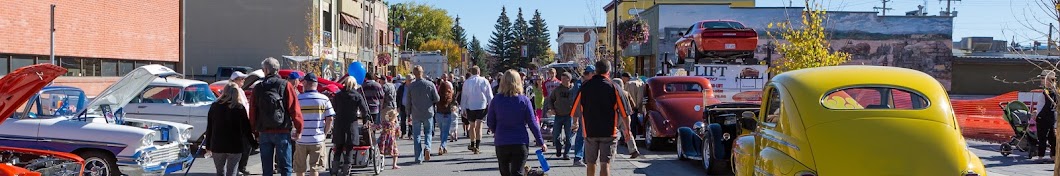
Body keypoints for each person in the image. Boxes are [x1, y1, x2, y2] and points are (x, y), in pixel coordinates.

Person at [571, 61, 628, 176]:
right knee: (605, 164)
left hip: (590, 130)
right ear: (609, 71)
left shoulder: (585, 86)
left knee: (591, 163)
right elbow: (624, 112)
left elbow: (575, 109)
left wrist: (575, 122)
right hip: (608, 131)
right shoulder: (614, 87)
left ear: (595, 71)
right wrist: (628, 130)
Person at [487, 70, 548, 176]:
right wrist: (540, 141)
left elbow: (490, 122)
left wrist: (497, 131)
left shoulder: (496, 100)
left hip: (502, 142)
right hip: (520, 141)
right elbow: (532, 123)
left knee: (505, 172)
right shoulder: (524, 100)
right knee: (517, 172)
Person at [250, 57, 304, 176]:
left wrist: (255, 131)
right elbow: (294, 109)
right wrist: (299, 129)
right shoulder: (285, 85)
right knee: (285, 167)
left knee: (267, 169)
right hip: (282, 130)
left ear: (265, 70)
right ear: (277, 70)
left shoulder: (258, 88)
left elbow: (253, 111)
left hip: (264, 131)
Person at [204, 83, 255, 176]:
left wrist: (208, 145)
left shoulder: (215, 106)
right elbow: (246, 129)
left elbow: (210, 127)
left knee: (220, 172)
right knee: (232, 172)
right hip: (235, 146)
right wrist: (253, 143)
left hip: (217, 144)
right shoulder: (239, 108)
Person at [293, 73, 334, 176]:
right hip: (317, 139)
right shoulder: (324, 99)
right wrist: (324, 134)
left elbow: (292, 117)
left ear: (306, 83)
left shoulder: (298, 99)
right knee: (314, 168)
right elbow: (330, 118)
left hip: (301, 139)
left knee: (300, 169)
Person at [329, 76, 370, 176]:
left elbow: (334, 108)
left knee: (338, 147)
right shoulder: (357, 95)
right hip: (351, 123)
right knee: (349, 147)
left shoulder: (338, 96)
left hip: (339, 123)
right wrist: (365, 120)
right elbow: (364, 110)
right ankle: (346, 170)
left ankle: (334, 170)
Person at [407, 66, 440, 163]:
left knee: (416, 135)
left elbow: (408, 102)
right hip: (428, 112)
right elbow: (437, 98)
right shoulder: (430, 84)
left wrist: (408, 113)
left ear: (414, 74)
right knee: (428, 132)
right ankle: (427, 147)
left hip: (416, 113)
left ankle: (418, 157)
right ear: (422, 72)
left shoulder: (411, 86)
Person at [461, 66, 494, 154]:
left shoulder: (467, 82)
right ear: (479, 72)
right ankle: (478, 146)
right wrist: (491, 106)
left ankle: (472, 143)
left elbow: (464, 96)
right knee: (479, 126)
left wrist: (462, 108)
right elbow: (489, 95)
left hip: (470, 106)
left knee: (472, 126)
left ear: (471, 72)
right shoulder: (484, 81)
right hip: (482, 106)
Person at [544, 72, 577, 160]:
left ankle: (566, 153)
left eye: (564, 79)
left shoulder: (573, 90)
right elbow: (550, 99)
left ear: (569, 79)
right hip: (558, 115)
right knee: (555, 135)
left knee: (568, 136)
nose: (561, 81)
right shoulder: (557, 90)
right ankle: (558, 148)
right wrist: (552, 109)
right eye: (561, 79)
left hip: (569, 116)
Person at [228, 71, 253, 175]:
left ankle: (242, 167)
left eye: (243, 79)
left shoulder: (241, 91)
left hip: (245, 122)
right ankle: (238, 168)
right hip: (238, 123)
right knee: (241, 146)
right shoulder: (233, 91)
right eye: (241, 79)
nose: (243, 80)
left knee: (247, 146)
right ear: (235, 80)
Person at [570, 65, 595, 166]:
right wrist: (575, 119)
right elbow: (576, 101)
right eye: (593, 74)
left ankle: (586, 157)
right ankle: (578, 158)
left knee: (588, 136)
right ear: (588, 74)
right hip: (581, 113)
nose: (594, 75)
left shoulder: (590, 83)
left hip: (589, 113)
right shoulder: (579, 84)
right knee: (581, 135)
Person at [610, 78, 641, 158]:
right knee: (628, 132)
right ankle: (633, 150)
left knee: (614, 133)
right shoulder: (626, 93)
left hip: (616, 115)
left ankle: (612, 152)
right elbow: (633, 104)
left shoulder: (612, 93)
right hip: (626, 115)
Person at [1038, 71, 1058, 162]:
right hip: (1049, 117)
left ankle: (1042, 156)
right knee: (1050, 138)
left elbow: (1048, 105)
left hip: (1045, 117)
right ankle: (1050, 156)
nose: (1041, 80)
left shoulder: (1049, 92)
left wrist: (1039, 115)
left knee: (1046, 137)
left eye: (1043, 78)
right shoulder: (1052, 91)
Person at [435, 74, 456, 155]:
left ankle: (444, 146)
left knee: (442, 131)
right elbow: (454, 102)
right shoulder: (450, 96)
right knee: (445, 132)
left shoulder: (438, 95)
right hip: (447, 114)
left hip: (439, 114)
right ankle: (442, 145)